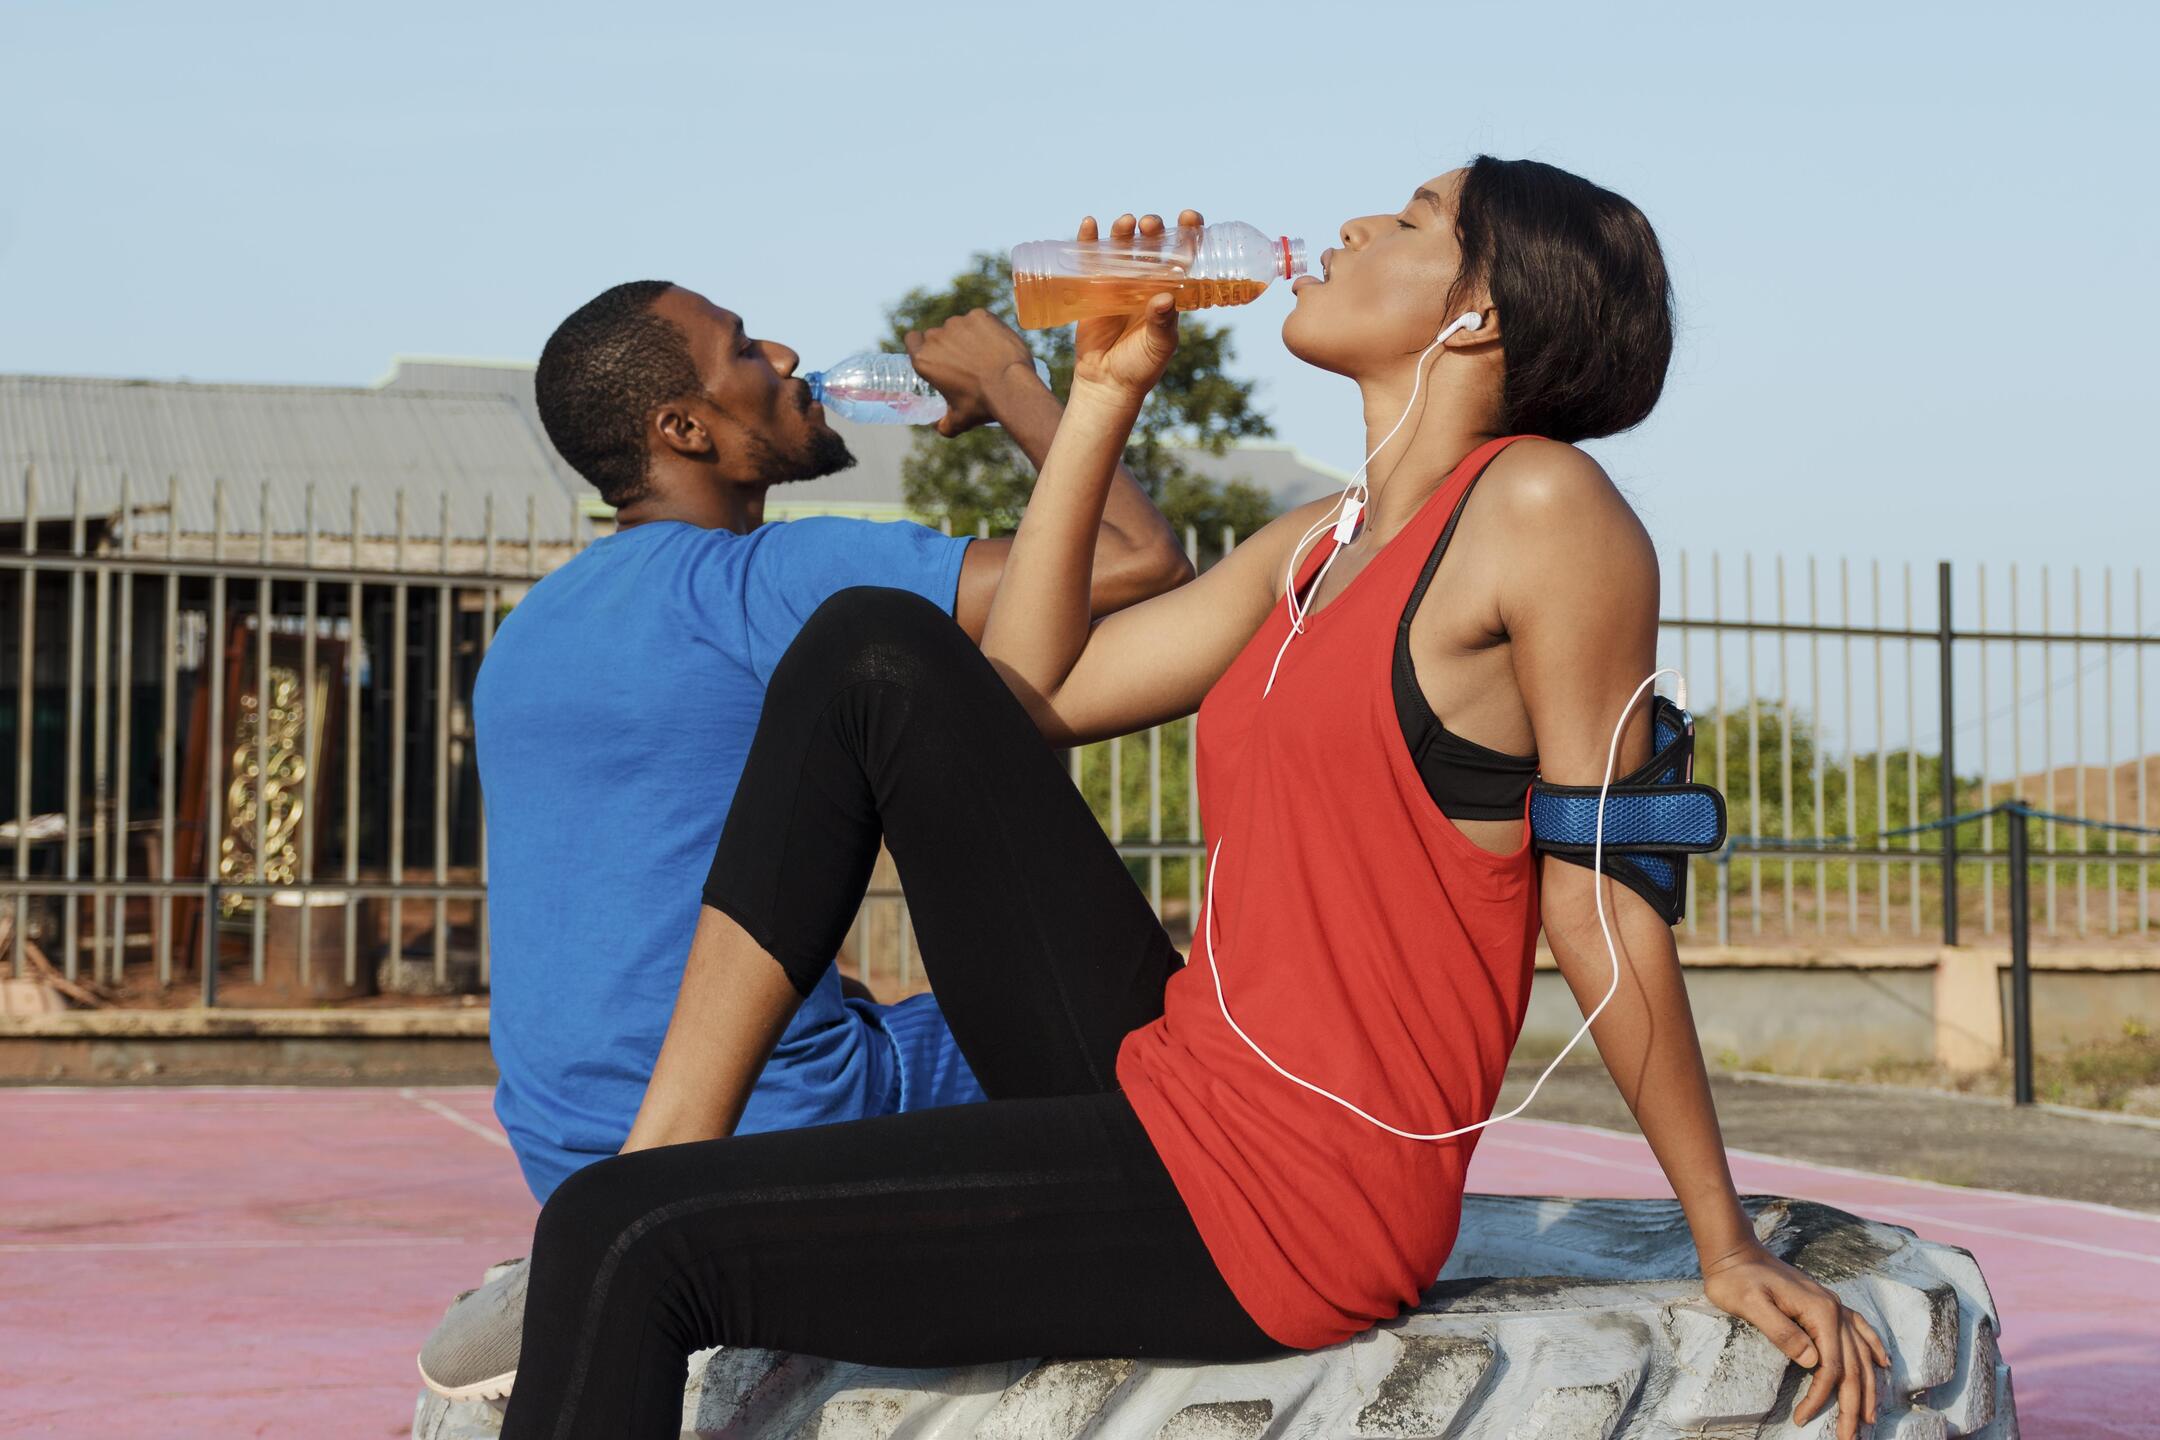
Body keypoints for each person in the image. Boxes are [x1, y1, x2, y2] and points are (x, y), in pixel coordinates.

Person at [500, 165, 1891, 1440]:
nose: (1349, 227)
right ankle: (669, 1146)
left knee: (623, 1242)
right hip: (1173, 1082)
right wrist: (1101, 393)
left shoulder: (1540, 507)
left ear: (1478, 314)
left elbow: (1601, 901)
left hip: (1292, 1192)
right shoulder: (1316, 543)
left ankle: (652, 1181)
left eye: (1408, 220)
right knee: (867, 649)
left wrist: (1722, 1239)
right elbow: (1024, 693)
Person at [419, 280, 1191, 1401]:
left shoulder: (534, 628)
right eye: (741, 350)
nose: (784, 351)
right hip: (787, 1119)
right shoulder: (774, 581)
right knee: (1179, 1042)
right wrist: (1020, 385)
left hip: (569, 1150)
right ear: (683, 431)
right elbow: (1136, 561)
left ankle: (570, 1270)